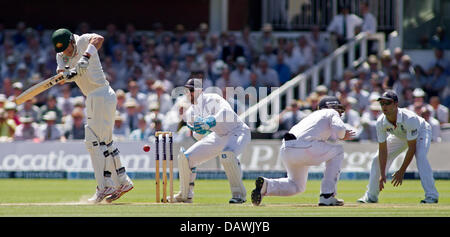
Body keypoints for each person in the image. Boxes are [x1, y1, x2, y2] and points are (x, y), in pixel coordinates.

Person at [52, 28, 133, 203]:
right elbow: (62, 72)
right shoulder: (61, 54)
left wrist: (85, 58)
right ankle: (120, 182)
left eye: (67, 48)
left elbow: (99, 38)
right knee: (102, 142)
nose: (66, 52)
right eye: (62, 50)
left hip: (102, 93)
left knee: (95, 142)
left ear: (72, 41)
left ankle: (107, 186)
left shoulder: (81, 41)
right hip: (92, 97)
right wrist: (66, 74)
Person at [251, 96, 355, 206]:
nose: (340, 112)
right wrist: (343, 135)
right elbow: (340, 130)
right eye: (338, 109)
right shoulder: (331, 112)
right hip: (305, 148)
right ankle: (327, 195)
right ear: (331, 107)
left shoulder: (312, 116)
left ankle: (266, 186)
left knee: (296, 186)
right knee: (338, 150)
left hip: (287, 148)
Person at [173, 78, 251, 204]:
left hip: (237, 131)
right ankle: (185, 194)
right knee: (186, 158)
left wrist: (211, 121)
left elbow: (227, 112)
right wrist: (201, 132)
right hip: (218, 136)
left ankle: (239, 195)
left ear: (201, 91)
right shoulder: (191, 112)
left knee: (227, 156)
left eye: (192, 90)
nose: (189, 94)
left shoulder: (212, 98)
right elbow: (197, 135)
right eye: (187, 91)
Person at [357, 91, 439, 204]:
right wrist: (382, 174)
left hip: (421, 131)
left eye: (388, 103)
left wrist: (401, 171)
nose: (384, 106)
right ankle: (371, 196)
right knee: (376, 159)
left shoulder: (409, 118)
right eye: (382, 103)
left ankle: (431, 196)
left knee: (420, 156)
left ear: (396, 104)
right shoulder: (381, 122)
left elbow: (412, 148)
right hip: (399, 135)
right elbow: (383, 149)